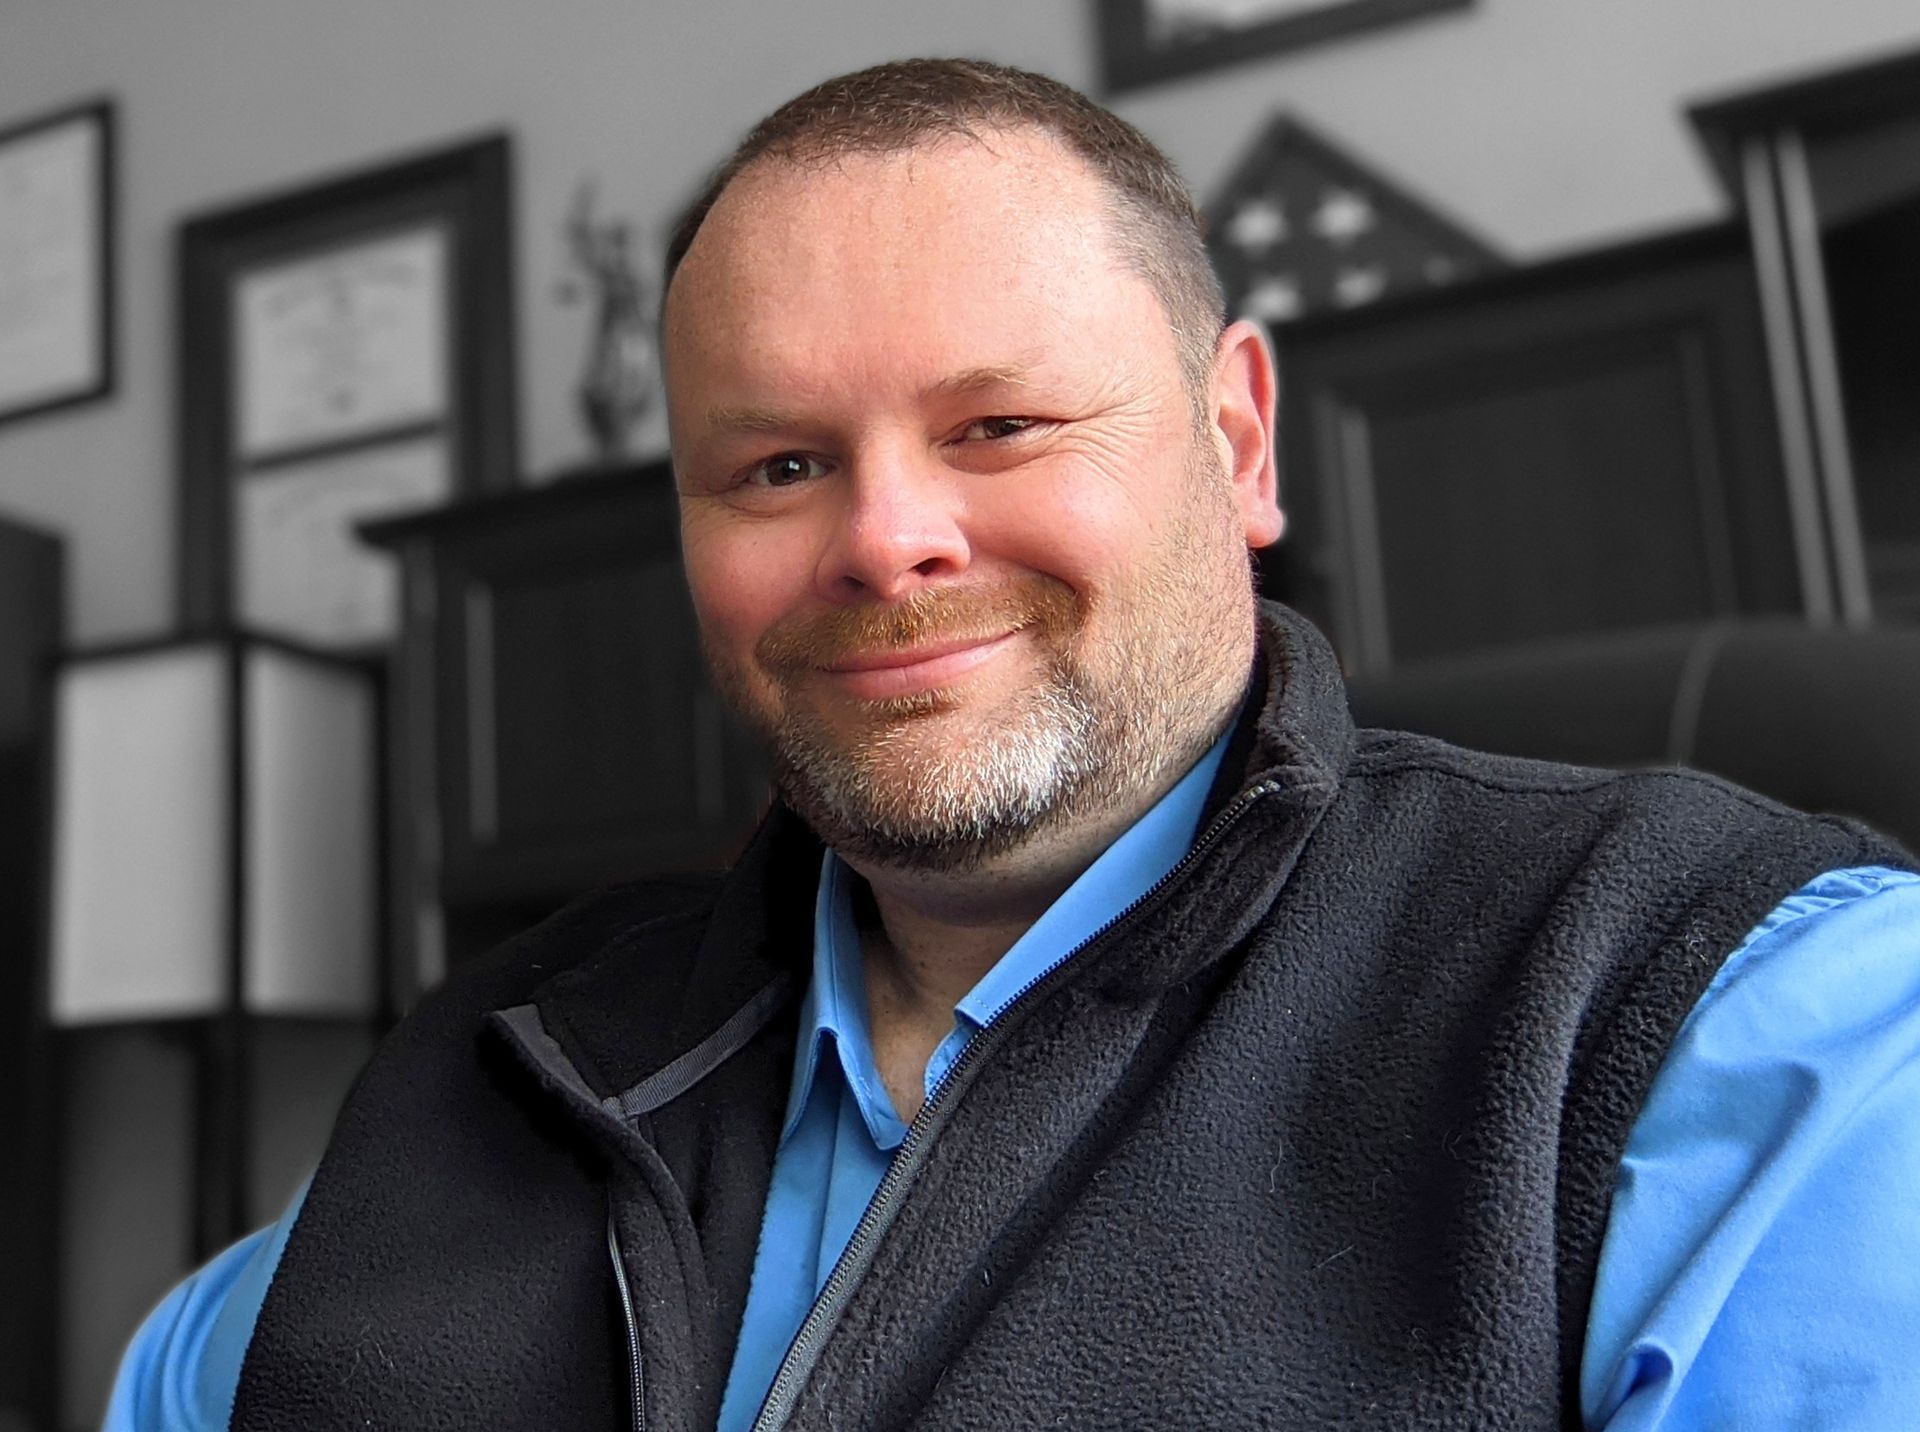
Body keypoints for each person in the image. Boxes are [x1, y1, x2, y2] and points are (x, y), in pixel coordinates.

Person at [110, 59, 1920, 1431]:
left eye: (1000, 424)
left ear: (1237, 442)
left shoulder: (1743, 1013)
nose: (884, 537)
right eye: (780, 466)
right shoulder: (487, 1066)